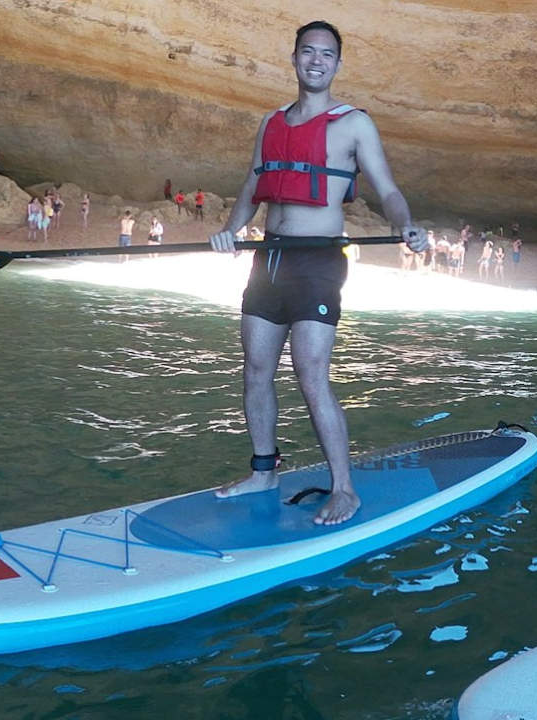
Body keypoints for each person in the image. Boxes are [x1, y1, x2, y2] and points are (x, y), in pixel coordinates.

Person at [208, 20, 426, 525]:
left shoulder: (353, 124)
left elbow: (387, 189)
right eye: (308, 52)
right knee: (256, 370)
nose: (316, 61)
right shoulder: (271, 123)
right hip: (272, 257)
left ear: (337, 64)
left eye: (327, 54)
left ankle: (344, 488)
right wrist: (228, 229)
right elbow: (251, 186)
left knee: (311, 374)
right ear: (294, 57)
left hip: (319, 261)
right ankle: (264, 471)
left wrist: (407, 223)